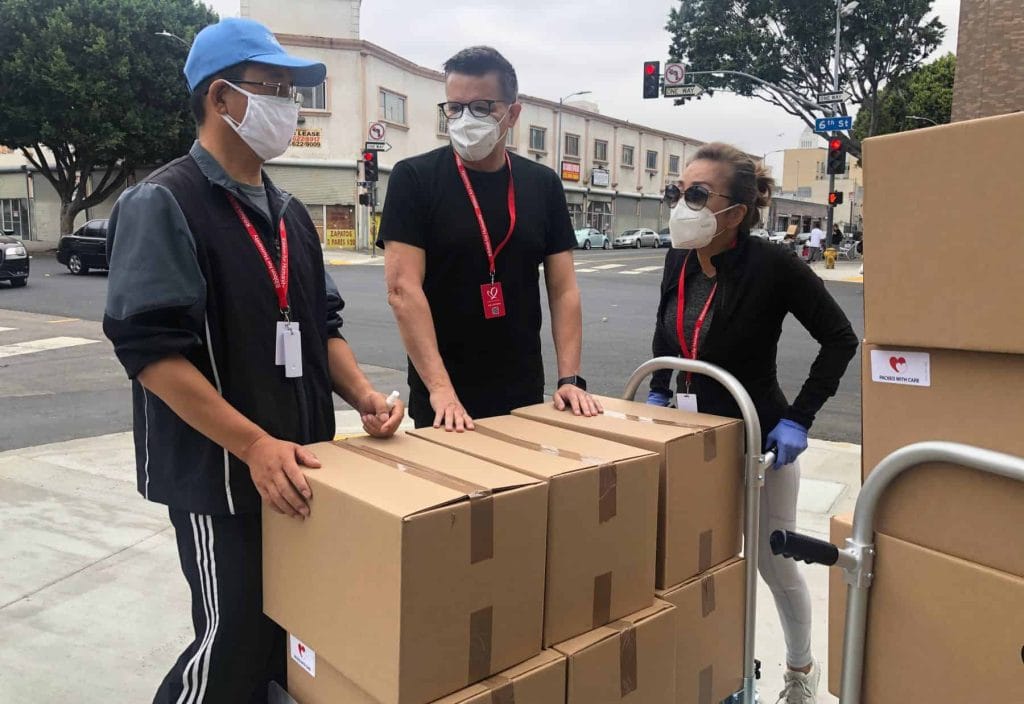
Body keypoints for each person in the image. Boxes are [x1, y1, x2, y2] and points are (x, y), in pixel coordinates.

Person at [102, 18, 404, 703]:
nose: (290, 109)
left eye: (293, 93)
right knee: (231, 641)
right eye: (274, 90)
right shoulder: (165, 202)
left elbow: (321, 327)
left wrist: (363, 396)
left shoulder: (289, 214)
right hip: (221, 479)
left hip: (298, 470)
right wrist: (253, 445)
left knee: (284, 642)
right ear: (221, 98)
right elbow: (151, 353)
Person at [646, 143, 857, 704]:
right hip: (691, 442)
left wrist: (799, 419)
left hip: (759, 441)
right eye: (676, 192)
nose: (681, 205)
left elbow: (840, 340)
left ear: (735, 212)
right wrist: (661, 386)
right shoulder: (678, 260)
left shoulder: (773, 266)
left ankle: (800, 670)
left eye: (697, 195)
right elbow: (667, 332)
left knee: (773, 561)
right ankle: (719, 669)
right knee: (699, 563)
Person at [378, 46, 600, 431]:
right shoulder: (414, 179)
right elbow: (402, 290)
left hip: (522, 389)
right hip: (443, 398)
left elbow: (563, 289)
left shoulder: (542, 184)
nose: (466, 119)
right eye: (455, 108)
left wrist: (569, 378)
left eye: (482, 108)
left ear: (513, 114)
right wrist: (440, 389)